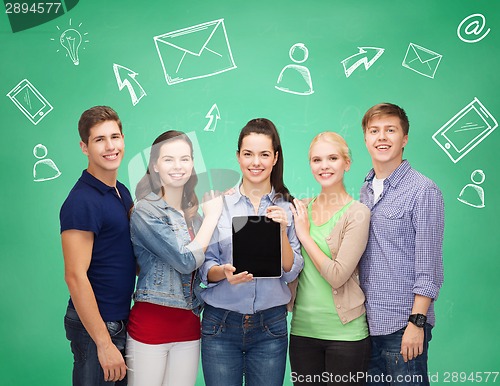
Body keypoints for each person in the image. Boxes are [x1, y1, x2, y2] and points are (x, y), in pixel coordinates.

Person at [199, 118, 304, 386]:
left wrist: (281, 231)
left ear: (275, 158)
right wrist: (223, 273)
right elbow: (204, 267)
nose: (255, 162)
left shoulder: (289, 207)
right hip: (220, 324)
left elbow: (291, 272)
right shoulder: (218, 205)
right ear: (238, 157)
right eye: (248, 154)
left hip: (271, 326)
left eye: (264, 154)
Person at [125, 130, 223, 386]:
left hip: (189, 328)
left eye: (185, 159)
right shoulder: (145, 210)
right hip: (150, 327)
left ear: (192, 164)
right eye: (168, 159)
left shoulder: (194, 217)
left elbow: (204, 272)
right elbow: (185, 261)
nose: (178, 166)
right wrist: (213, 216)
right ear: (155, 165)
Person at [359, 103, 444, 386]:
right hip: (367, 325)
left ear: (404, 138)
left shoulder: (423, 190)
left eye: (390, 130)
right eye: (374, 131)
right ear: (366, 138)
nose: (381, 137)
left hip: (402, 325)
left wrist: (416, 324)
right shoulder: (366, 189)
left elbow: (429, 265)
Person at [60, 106, 136, 385]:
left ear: (123, 139)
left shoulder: (121, 191)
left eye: (114, 137)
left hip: (120, 321)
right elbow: (75, 276)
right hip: (96, 329)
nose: (110, 146)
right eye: (99, 139)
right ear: (84, 147)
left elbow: (129, 255)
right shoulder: (82, 201)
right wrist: (104, 343)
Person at [288, 132, 371, 386]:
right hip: (302, 332)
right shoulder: (300, 208)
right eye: (317, 160)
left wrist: (304, 234)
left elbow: (338, 275)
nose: (324, 166)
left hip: (346, 337)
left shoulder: (357, 213)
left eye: (332, 158)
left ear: (347, 163)